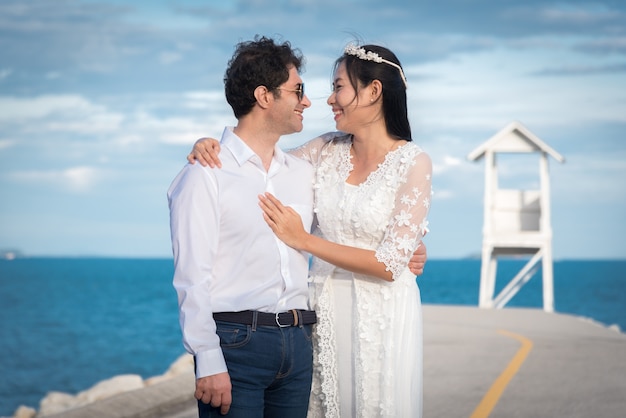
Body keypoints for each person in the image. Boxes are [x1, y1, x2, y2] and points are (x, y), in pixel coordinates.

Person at [189, 42, 432, 417]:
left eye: (339, 87)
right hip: (318, 316)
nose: (327, 99)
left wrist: (304, 240)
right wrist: (210, 146)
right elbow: (259, 161)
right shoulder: (324, 150)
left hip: (380, 313)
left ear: (373, 91)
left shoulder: (412, 162)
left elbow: (390, 262)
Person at [168, 36, 317, 418]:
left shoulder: (303, 173)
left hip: (299, 344)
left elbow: (338, 234)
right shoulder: (204, 174)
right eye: (298, 90)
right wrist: (207, 358)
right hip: (237, 347)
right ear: (264, 96)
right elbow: (191, 277)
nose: (307, 101)